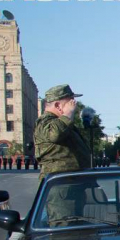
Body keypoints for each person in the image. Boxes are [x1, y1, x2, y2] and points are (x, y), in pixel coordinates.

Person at [34, 84, 92, 226]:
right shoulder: (45, 121)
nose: (74, 104)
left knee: (75, 226)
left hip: (71, 184)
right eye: (70, 101)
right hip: (60, 186)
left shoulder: (61, 123)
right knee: (64, 228)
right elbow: (54, 135)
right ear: (58, 105)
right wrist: (67, 115)